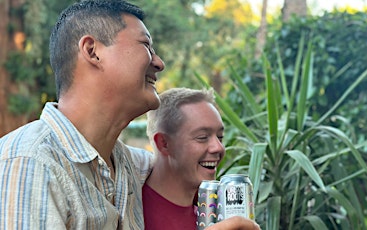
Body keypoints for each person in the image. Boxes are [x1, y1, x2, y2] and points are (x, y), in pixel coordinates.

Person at [0, 1, 258, 229]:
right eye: (146, 45)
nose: (159, 62)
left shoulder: (126, 165)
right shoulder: (29, 163)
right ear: (92, 51)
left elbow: (177, 167)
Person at [143, 87, 259, 230]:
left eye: (220, 137)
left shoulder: (215, 213)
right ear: (164, 143)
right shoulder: (130, 210)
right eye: (202, 137)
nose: (219, 147)